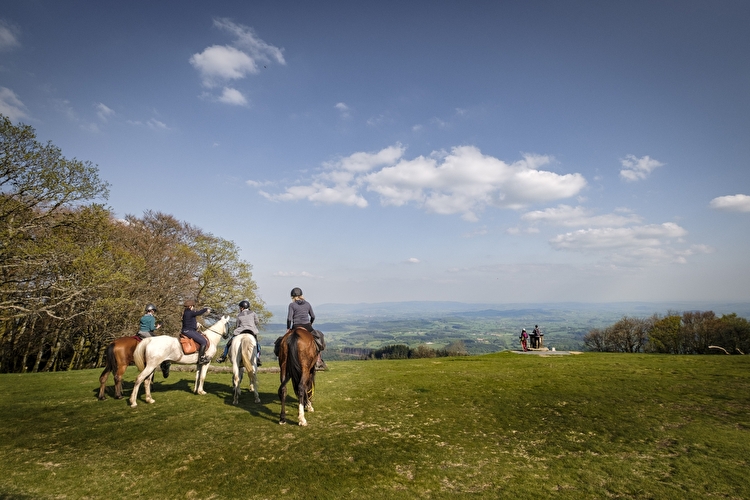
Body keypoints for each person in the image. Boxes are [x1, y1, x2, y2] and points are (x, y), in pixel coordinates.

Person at [217, 300, 261, 365]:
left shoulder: (239, 315)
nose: (239, 309)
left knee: (228, 344)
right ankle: (258, 358)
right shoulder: (253, 313)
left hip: (240, 331)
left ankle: (223, 356)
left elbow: (237, 325)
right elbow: (257, 322)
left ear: (242, 308)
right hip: (251, 331)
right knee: (257, 345)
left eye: (240, 307)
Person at [286, 287, 325, 353]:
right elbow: (313, 316)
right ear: (301, 295)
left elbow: (289, 318)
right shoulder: (307, 304)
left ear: (293, 297)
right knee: (319, 336)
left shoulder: (292, 305)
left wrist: (288, 328)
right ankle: (318, 355)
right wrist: (311, 323)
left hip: (296, 326)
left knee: (284, 340)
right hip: (307, 326)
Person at [181, 299, 211, 365]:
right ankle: (201, 359)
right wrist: (205, 309)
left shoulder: (185, 312)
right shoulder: (190, 312)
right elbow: (198, 313)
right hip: (189, 331)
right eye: (193, 306)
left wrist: (196, 323)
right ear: (190, 306)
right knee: (204, 341)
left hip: (188, 330)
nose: (193, 307)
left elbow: (190, 320)